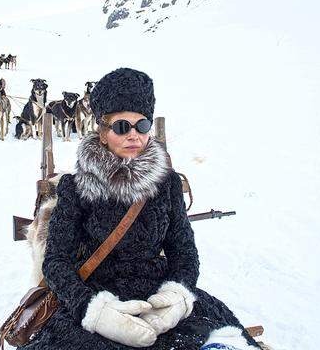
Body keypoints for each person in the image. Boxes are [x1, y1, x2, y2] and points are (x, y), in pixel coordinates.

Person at [17, 68, 260, 350]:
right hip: (98, 299)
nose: (133, 135)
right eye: (122, 127)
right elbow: (56, 261)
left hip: (157, 298)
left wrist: (178, 296)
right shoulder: (76, 187)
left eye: (141, 126)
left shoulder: (166, 183)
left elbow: (183, 251)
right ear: (103, 133)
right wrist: (94, 312)